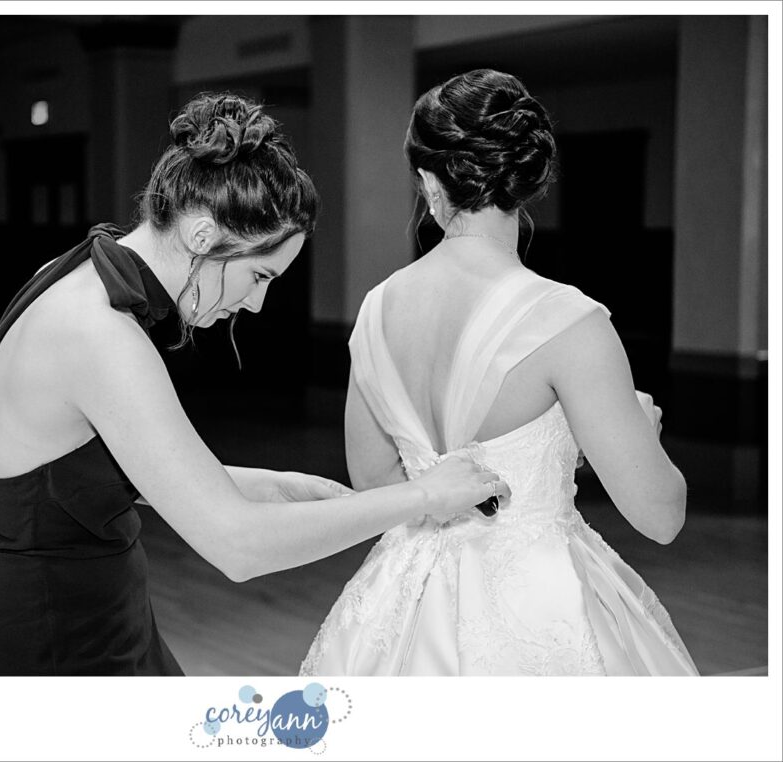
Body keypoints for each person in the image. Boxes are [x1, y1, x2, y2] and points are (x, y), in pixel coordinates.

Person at [0, 92, 510, 675]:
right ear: (201, 235)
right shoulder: (100, 334)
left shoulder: (71, 275)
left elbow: (73, 480)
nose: (259, 302)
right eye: (258, 274)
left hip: (95, 624)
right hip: (51, 652)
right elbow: (238, 547)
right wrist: (421, 496)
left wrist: (273, 484)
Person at [300, 70, 699, 676]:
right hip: (538, 602)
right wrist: (640, 433)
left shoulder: (377, 309)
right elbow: (661, 516)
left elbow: (377, 485)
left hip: (403, 601)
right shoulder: (568, 321)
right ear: (526, 182)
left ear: (430, 184)